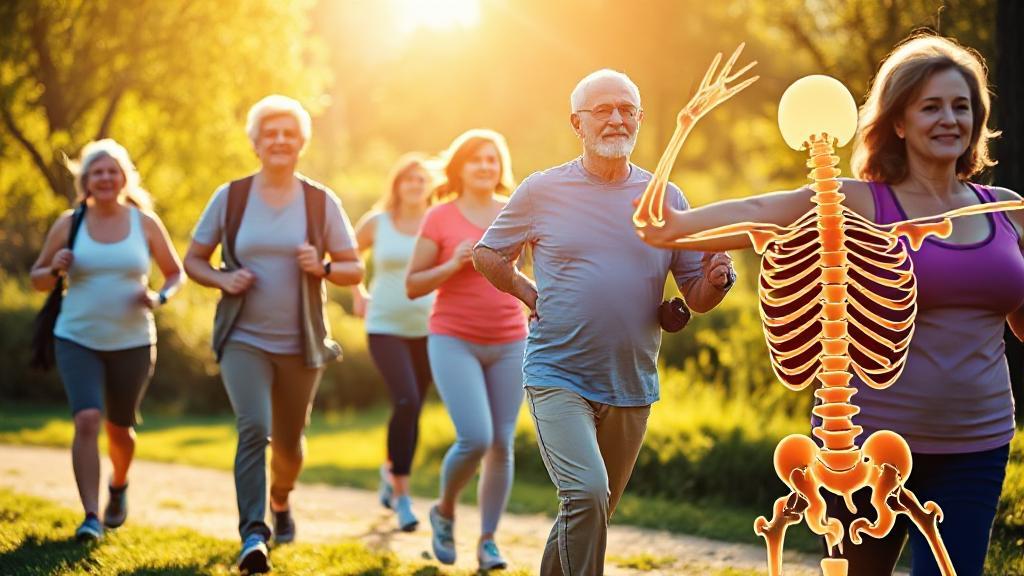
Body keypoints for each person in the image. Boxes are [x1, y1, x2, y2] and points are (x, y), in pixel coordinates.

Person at [637, 34, 1020, 576]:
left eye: (962, 106)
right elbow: (754, 211)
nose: (949, 119)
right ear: (899, 122)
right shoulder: (859, 200)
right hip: (862, 448)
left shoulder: (1007, 210)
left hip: (977, 443)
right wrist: (675, 224)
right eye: (931, 106)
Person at [473, 70, 736, 575]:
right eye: (603, 110)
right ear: (577, 122)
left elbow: (696, 298)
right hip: (556, 374)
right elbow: (487, 254)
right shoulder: (541, 190)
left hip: (630, 382)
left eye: (627, 109)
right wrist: (528, 291)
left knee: (592, 511)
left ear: (640, 117)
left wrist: (718, 279)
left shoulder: (667, 198)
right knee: (587, 494)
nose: (617, 118)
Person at [183, 95, 363, 574]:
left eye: (289, 134)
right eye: (271, 134)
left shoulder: (320, 201)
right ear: (256, 143)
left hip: (301, 342)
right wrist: (223, 279)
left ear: (301, 143)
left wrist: (322, 266)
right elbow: (193, 260)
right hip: (243, 336)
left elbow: (353, 267)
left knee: (289, 444)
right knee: (253, 429)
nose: (280, 141)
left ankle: (280, 500)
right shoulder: (232, 196)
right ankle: (252, 535)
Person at [29, 139, 184, 541]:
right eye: (96, 172)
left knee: (119, 428)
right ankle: (91, 517)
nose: (104, 178)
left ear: (124, 178)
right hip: (77, 338)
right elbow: (37, 280)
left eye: (112, 171)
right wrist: (55, 267)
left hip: (132, 341)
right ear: (86, 180)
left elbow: (174, 272)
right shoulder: (70, 223)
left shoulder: (144, 223)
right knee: (87, 420)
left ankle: (118, 485)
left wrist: (158, 297)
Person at [405, 129, 527, 570]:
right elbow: (413, 285)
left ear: (501, 167)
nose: (485, 166)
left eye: (492, 159)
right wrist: (451, 263)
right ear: (460, 167)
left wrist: (540, 304)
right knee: (476, 437)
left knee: (502, 443)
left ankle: (488, 541)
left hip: (511, 340)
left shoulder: (516, 212)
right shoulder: (438, 218)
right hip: (453, 338)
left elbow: (529, 276)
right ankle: (445, 509)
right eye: (476, 159)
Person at [351, 153, 435, 531]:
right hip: (384, 324)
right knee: (406, 399)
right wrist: (357, 291)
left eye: (421, 180)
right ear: (397, 184)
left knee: (412, 409)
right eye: (408, 180)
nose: (415, 185)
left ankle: (390, 471)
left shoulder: (437, 222)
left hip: (431, 328)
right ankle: (403, 498)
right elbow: (346, 254)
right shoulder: (378, 222)